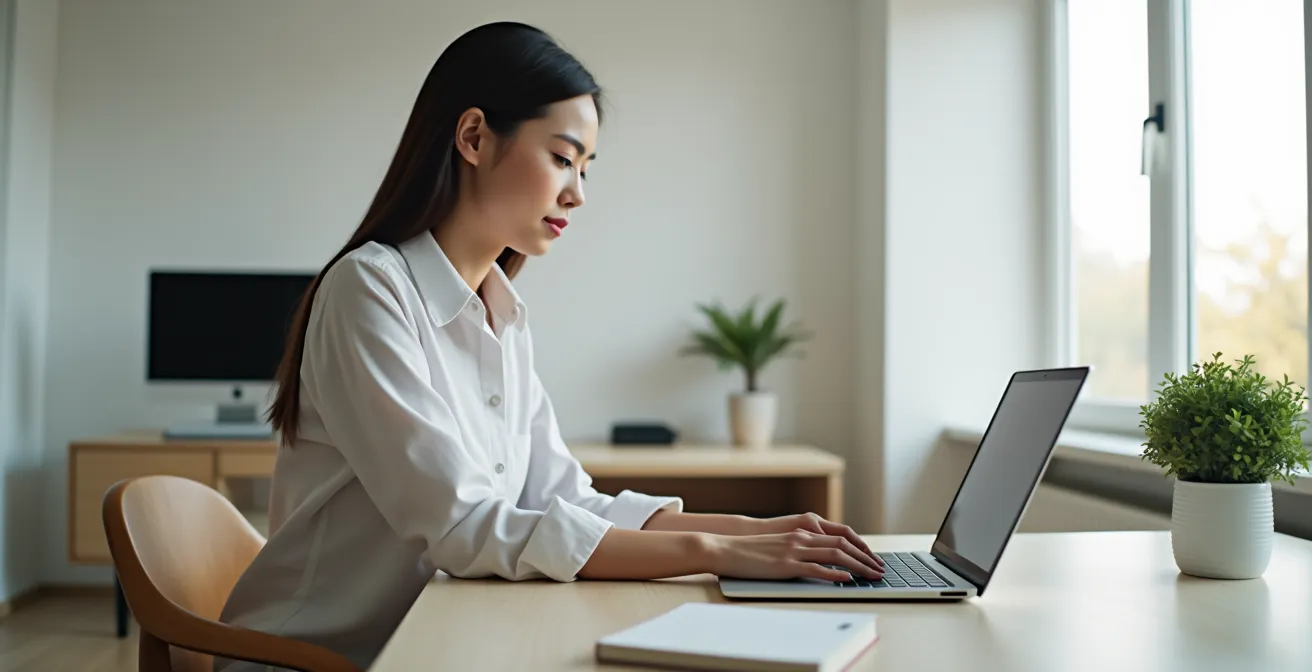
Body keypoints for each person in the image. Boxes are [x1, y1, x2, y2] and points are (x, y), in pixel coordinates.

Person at [216, 21, 885, 671]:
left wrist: (759, 532)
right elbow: (467, 527)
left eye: (587, 167)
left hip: (440, 637)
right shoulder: (369, 290)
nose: (578, 193)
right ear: (474, 137)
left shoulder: (500, 313)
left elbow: (563, 501)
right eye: (563, 158)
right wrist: (714, 552)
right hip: (314, 658)